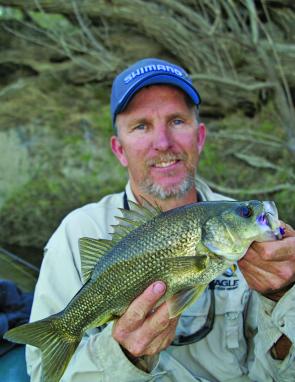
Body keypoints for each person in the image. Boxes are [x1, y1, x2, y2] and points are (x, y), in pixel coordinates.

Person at [26, 58, 295, 381]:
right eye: (141, 126)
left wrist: (283, 297)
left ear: (200, 137)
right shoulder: (76, 233)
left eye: (177, 121)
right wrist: (122, 356)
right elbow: (44, 376)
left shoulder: (253, 236)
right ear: (119, 149)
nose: (163, 143)